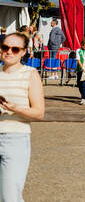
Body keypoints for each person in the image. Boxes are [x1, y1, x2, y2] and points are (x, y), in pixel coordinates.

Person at [0, 31, 45, 201]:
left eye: (15, 49)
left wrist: (15, 108)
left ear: (24, 51)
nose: (9, 52)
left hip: (15, 139)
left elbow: (39, 113)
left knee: (9, 196)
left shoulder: (30, 74)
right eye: (5, 47)